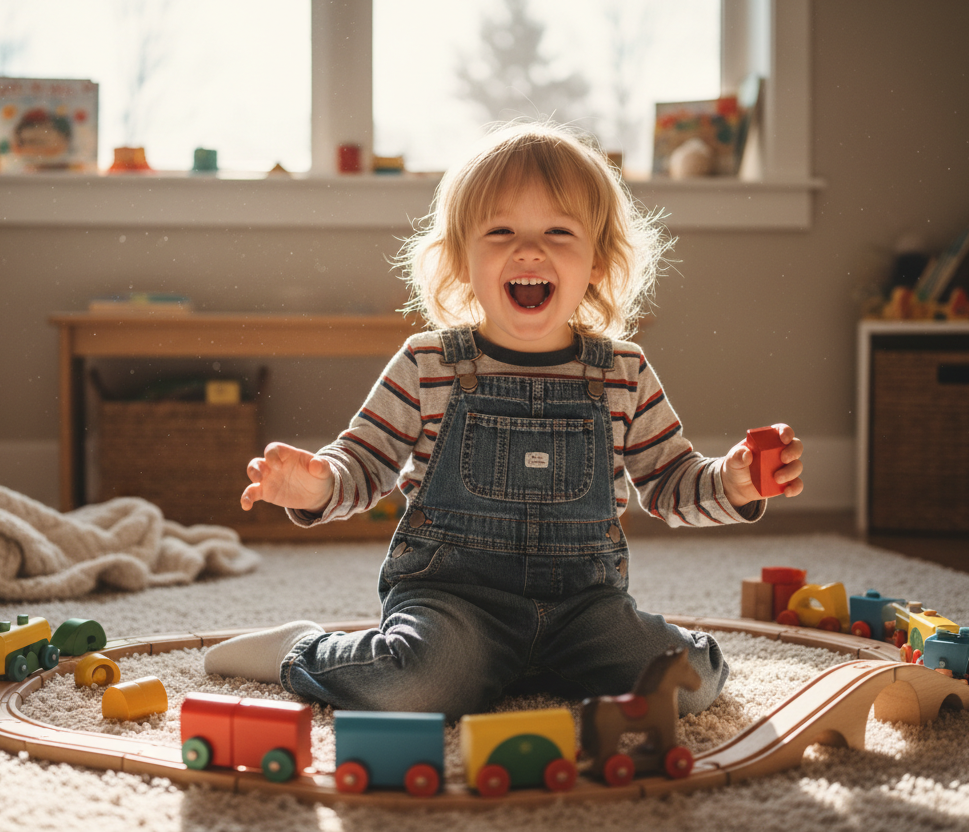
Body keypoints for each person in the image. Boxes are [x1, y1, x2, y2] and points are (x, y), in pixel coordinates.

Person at [203, 121, 805, 720]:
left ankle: (551, 667)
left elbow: (673, 484)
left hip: (585, 610)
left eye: (558, 231)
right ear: (463, 259)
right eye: (501, 230)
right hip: (454, 603)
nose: (529, 249)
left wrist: (733, 483)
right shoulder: (427, 362)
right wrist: (317, 485)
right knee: (415, 687)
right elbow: (362, 463)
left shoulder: (623, 371)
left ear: (597, 261)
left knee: (689, 684)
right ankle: (301, 649)